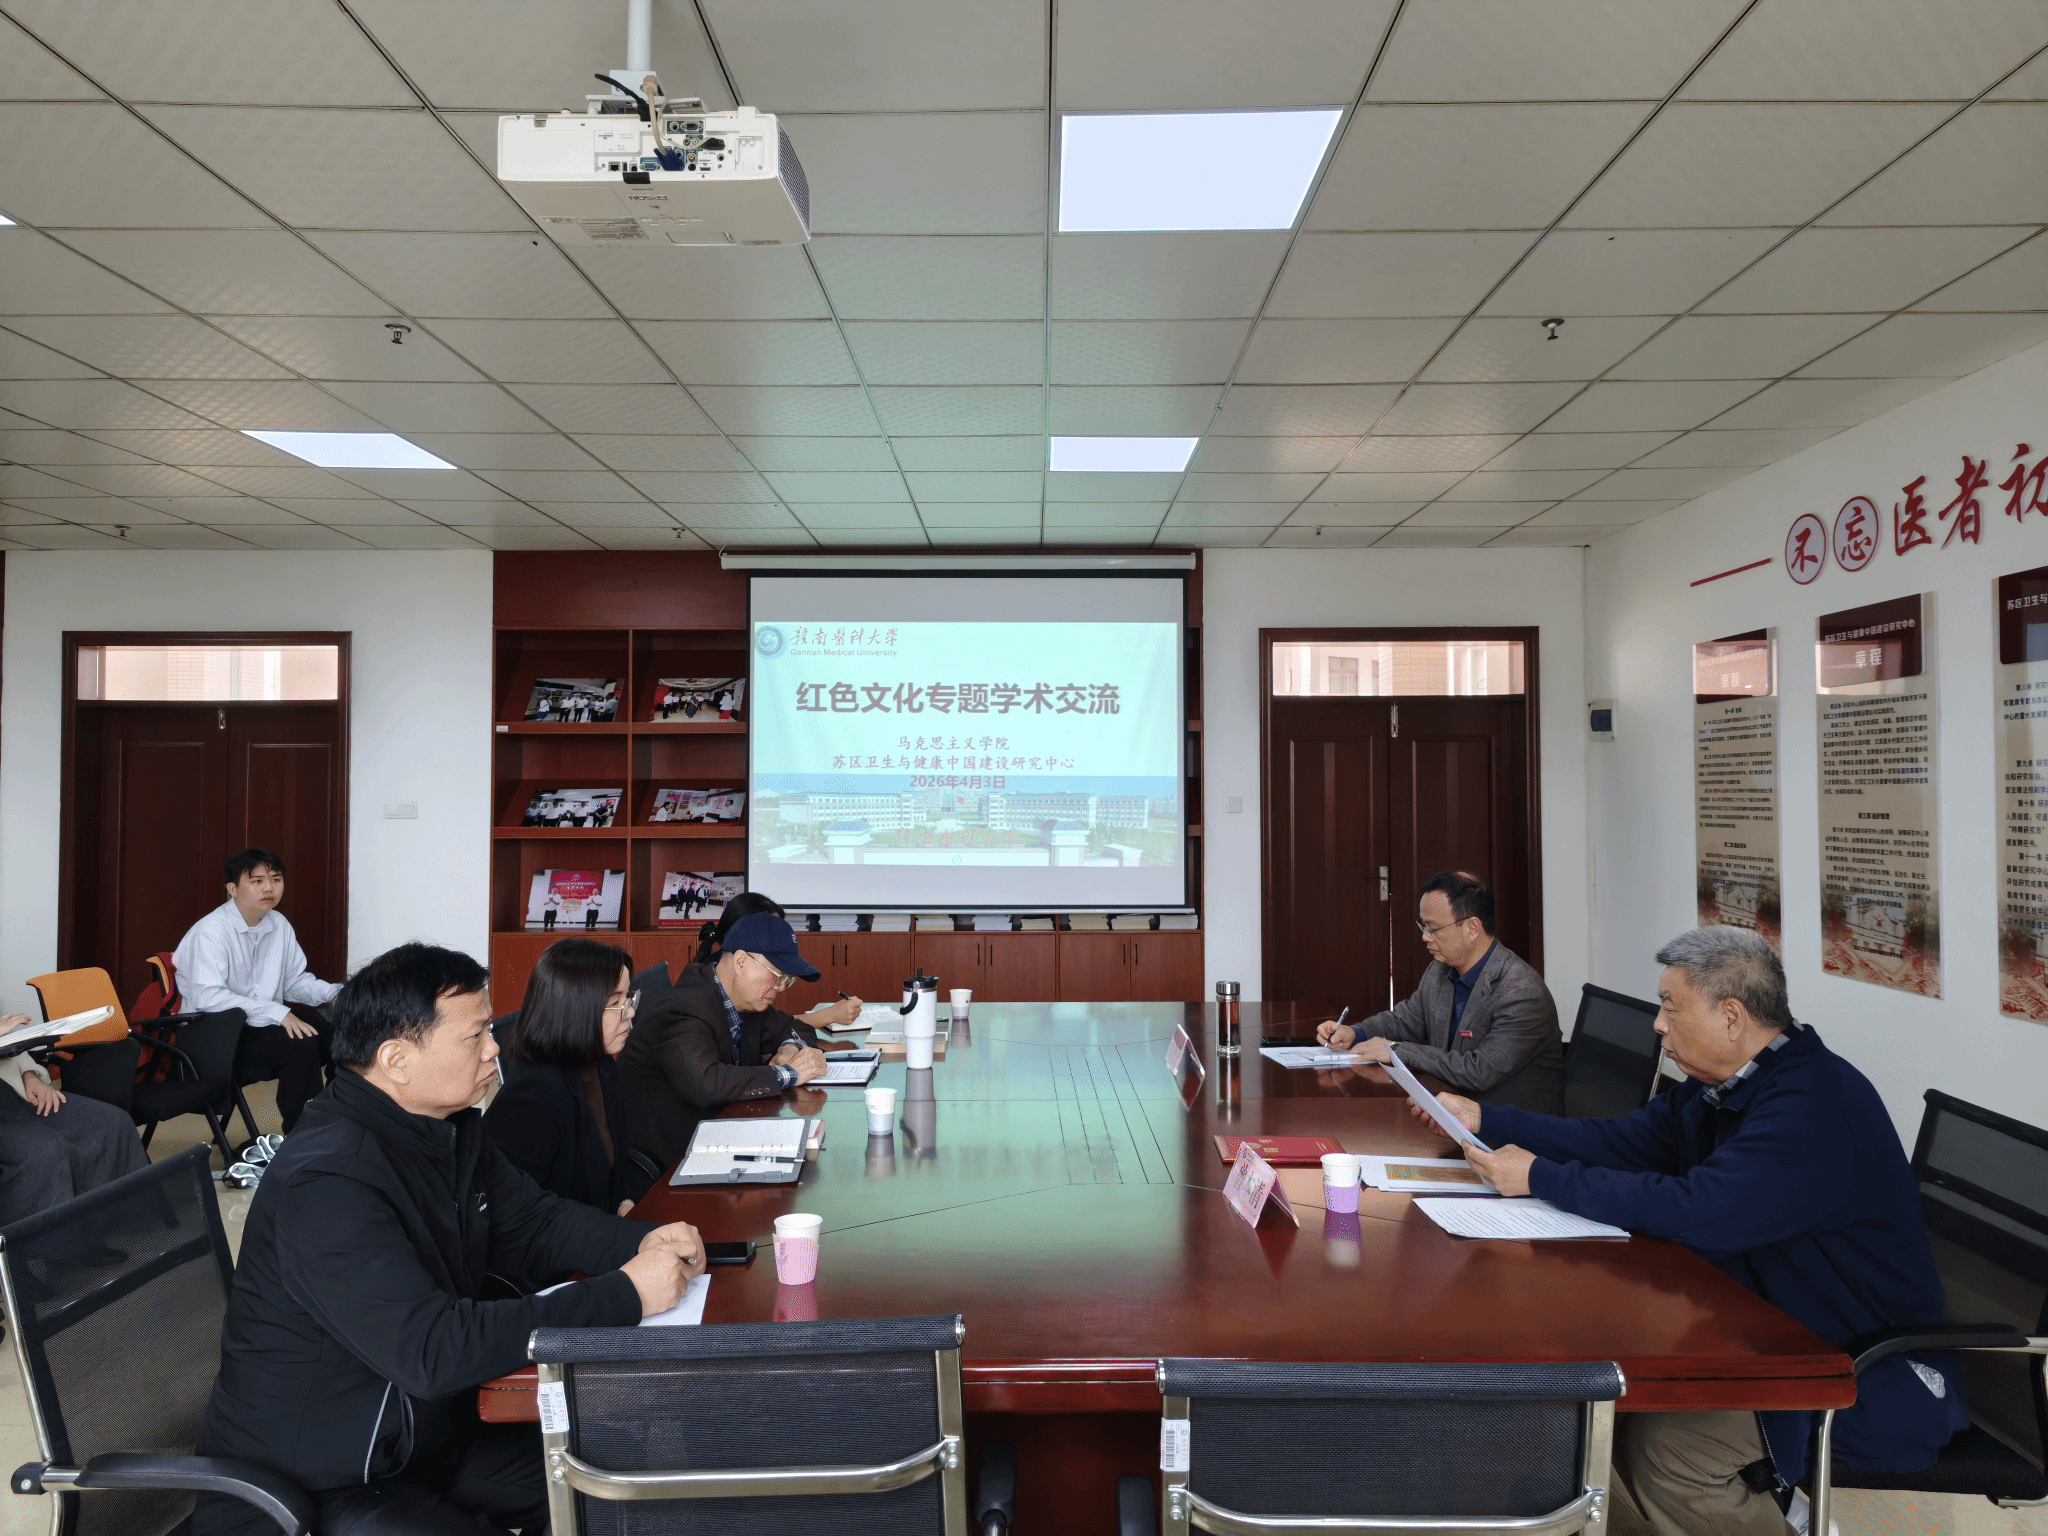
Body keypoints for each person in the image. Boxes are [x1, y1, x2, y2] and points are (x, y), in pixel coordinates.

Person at [1415, 926, 1967, 1535]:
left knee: (1670, 1452)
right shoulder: (1724, 1087)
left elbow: (1702, 1209)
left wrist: (1540, 1176)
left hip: (1862, 1367)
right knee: (1603, 1411)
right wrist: (1488, 1118)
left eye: (1671, 1008)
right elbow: (1623, 1143)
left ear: (1731, 1016)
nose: (1658, 1024)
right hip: (1758, 1328)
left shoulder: (1814, 1103)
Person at [193, 941, 706, 1536]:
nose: (494, 1048)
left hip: (426, 1435)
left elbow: (535, 1223)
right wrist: (626, 1293)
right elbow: (433, 1349)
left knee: (624, 1480)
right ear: (396, 1059)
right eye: (475, 1035)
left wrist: (642, 1242)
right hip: (324, 1480)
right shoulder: (327, 1181)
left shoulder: (447, 1126)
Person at [1317, 870, 1563, 1112]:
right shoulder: (1439, 971)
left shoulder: (1521, 992)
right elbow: (1405, 1021)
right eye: (1423, 926)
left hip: (1508, 1126)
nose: (1425, 937)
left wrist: (1395, 1050)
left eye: (1433, 929)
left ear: (1472, 928)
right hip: (1451, 1111)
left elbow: (1479, 1071)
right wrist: (1355, 1032)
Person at [619, 910, 833, 1166]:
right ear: (741, 961)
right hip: (673, 1158)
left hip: (721, 1133)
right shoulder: (685, 1007)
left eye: (788, 980)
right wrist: (790, 1073)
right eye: (777, 976)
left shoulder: (744, 999)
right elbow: (706, 1083)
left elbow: (795, 1026)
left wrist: (789, 1049)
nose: (780, 987)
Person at [484, 941, 648, 1251]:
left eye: (629, 998)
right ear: (576, 1009)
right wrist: (617, 1235)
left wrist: (626, 1201)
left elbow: (613, 1168)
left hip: (600, 1242)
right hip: (561, 1263)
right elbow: (521, 1228)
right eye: (616, 1002)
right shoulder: (529, 1101)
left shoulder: (601, 1066)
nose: (630, 1012)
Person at [172, 847, 340, 1139]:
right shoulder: (210, 932)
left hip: (258, 1026)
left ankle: (341, 1121)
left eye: (276, 879)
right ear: (233, 889)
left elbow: (293, 982)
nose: (269, 888)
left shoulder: (279, 924)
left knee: (340, 1033)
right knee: (300, 1043)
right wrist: (276, 1012)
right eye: (257, 881)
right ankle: (307, 1138)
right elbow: (207, 997)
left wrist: (337, 994)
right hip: (211, 1036)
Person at [0, 1012, 147, 1225]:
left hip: (15, 1090)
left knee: (112, 1122)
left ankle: (114, 1224)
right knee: (44, 1149)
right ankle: (49, 1242)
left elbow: (11, 1044)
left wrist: (30, 1076)